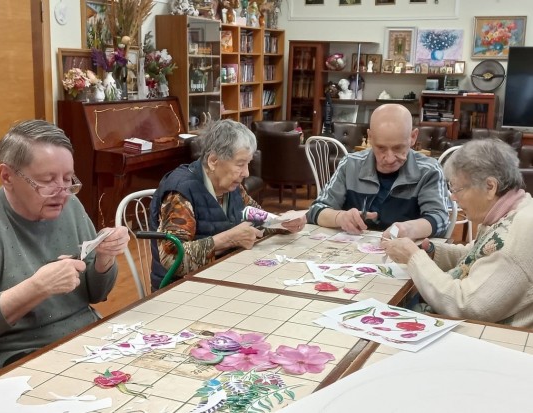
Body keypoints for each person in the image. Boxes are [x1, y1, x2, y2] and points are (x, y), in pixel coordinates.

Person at [0, 120, 129, 371]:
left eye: (68, 178)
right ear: (7, 176)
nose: (63, 192)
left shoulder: (70, 205)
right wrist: (38, 287)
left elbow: (96, 294)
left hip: (88, 336)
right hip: (22, 353)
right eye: (48, 180)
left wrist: (104, 260)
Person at [382, 139, 533, 327]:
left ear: (490, 187)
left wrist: (414, 258)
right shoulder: (515, 210)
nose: (452, 197)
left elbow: (465, 305)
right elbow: (478, 255)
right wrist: (433, 253)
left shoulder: (512, 240)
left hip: (495, 339)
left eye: (457, 189)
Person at [150, 119, 303, 290]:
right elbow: (172, 260)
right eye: (240, 164)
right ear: (213, 160)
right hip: (180, 289)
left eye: (248, 164)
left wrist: (282, 222)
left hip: (221, 277)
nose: (246, 173)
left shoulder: (231, 187)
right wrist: (229, 239)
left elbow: (257, 219)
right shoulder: (180, 192)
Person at [306, 104, 449, 240]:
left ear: (413, 137)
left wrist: (410, 229)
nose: (390, 158)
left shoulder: (429, 171)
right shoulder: (350, 164)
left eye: (398, 148)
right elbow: (316, 210)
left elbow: (440, 220)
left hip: (403, 254)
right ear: (370, 137)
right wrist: (340, 217)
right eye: (381, 148)